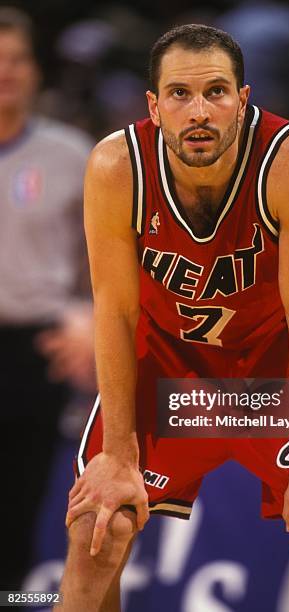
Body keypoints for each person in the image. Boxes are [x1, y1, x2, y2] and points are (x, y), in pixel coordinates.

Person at [59, 24, 289, 612]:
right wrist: (119, 454)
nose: (198, 111)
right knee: (97, 531)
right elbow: (117, 310)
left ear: (243, 97)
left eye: (216, 92)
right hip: (169, 366)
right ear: (153, 105)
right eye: (179, 93)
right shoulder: (116, 165)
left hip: (275, 367)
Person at [0, 7, 94, 590]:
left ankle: (11, 600)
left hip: (35, 350)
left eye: (17, 59)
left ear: (36, 70)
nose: (6, 72)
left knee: (19, 516)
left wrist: (85, 317)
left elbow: (107, 262)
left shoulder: (75, 155)